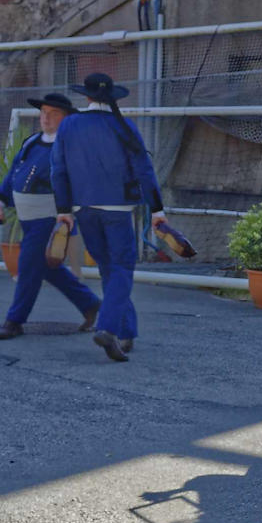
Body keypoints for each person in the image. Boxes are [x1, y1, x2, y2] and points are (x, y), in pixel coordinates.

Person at [50, 71, 168, 362]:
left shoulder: (69, 125)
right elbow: (144, 171)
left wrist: (63, 211)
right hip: (118, 209)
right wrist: (157, 210)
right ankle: (108, 327)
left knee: (108, 270)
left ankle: (126, 333)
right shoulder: (124, 126)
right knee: (122, 268)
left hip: (83, 208)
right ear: (112, 96)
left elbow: (58, 170)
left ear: (87, 96)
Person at [0, 93, 101, 342]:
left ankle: (14, 321)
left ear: (67, 118)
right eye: (43, 113)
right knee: (48, 267)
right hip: (27, 218)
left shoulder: (71, 147)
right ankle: (91, 304)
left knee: (28, 265)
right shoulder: (31, 142)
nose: (46, 118)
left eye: (54, 114)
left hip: (50, 219)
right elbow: (13, 173)